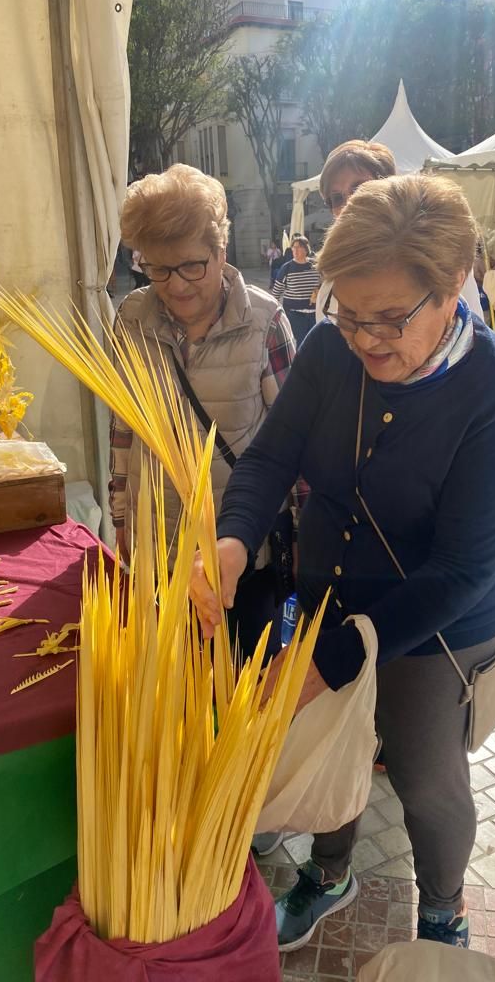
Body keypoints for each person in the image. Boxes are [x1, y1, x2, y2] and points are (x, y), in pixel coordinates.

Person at [191, 174, 495, 952]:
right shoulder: (328, 350)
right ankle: (331, 871)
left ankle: (444, 910)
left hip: (435, 624)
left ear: (454, 283)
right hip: (323, 591)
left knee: (423, 776)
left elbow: (462, 570)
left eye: (389, 318)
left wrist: (340, 653)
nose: (365, 338)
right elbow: (271, 457)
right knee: (327, 746)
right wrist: (233, 542)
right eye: (347, 314)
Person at [110, 163, 299, 661]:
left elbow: (295, 441)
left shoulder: (265, 321)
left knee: (244, 687)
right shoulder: (132, 319)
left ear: (221, 251)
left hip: (239, 555)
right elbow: (123, 428)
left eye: (192, 265)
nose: (175, 285)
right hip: (161, 548)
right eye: (157, 268)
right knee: (174, 685)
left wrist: (301, 540)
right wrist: (123, 519)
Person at [314, 140, 484, 321]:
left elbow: (471, 331)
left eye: (359, 188)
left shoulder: (436, 255)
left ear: (390, 188)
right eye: (337, 198)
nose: (349, 203)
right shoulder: (332, 275)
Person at [272, 236, 320, 348]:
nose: (295, 250)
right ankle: (302, 365)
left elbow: (323, 283)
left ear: (306, 249)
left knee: (315, 343)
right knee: (301, 344)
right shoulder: (287, 268)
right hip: (295, 314)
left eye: (299, 247)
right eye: (294, 248)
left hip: (314, 313)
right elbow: (276, 293)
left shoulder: (316, 266)